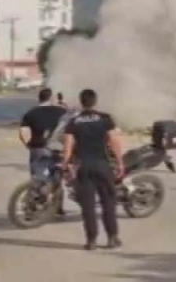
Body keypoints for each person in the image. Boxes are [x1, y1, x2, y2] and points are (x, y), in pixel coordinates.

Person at [62, 89, 123, 250]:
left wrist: (65, 166)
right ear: (95, 102)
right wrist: (120, 163)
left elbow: (68, 147)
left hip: (83, 167)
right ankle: (112, 238)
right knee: (108, 202)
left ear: (81, 102)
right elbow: (114, 141)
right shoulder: (105, 119)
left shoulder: (74, 122)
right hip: (102, 165)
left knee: (88, 206)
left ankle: (91, 241)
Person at [19, 88, 67, 183]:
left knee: (37, 179)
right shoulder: (62, 112)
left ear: (39, 99)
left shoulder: (30, 113)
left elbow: (22, 133)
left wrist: (29, 146)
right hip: (57, 149)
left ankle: (37, 195)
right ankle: (53, 194)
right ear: (51, 98)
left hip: (37, 148)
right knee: (55, 179)